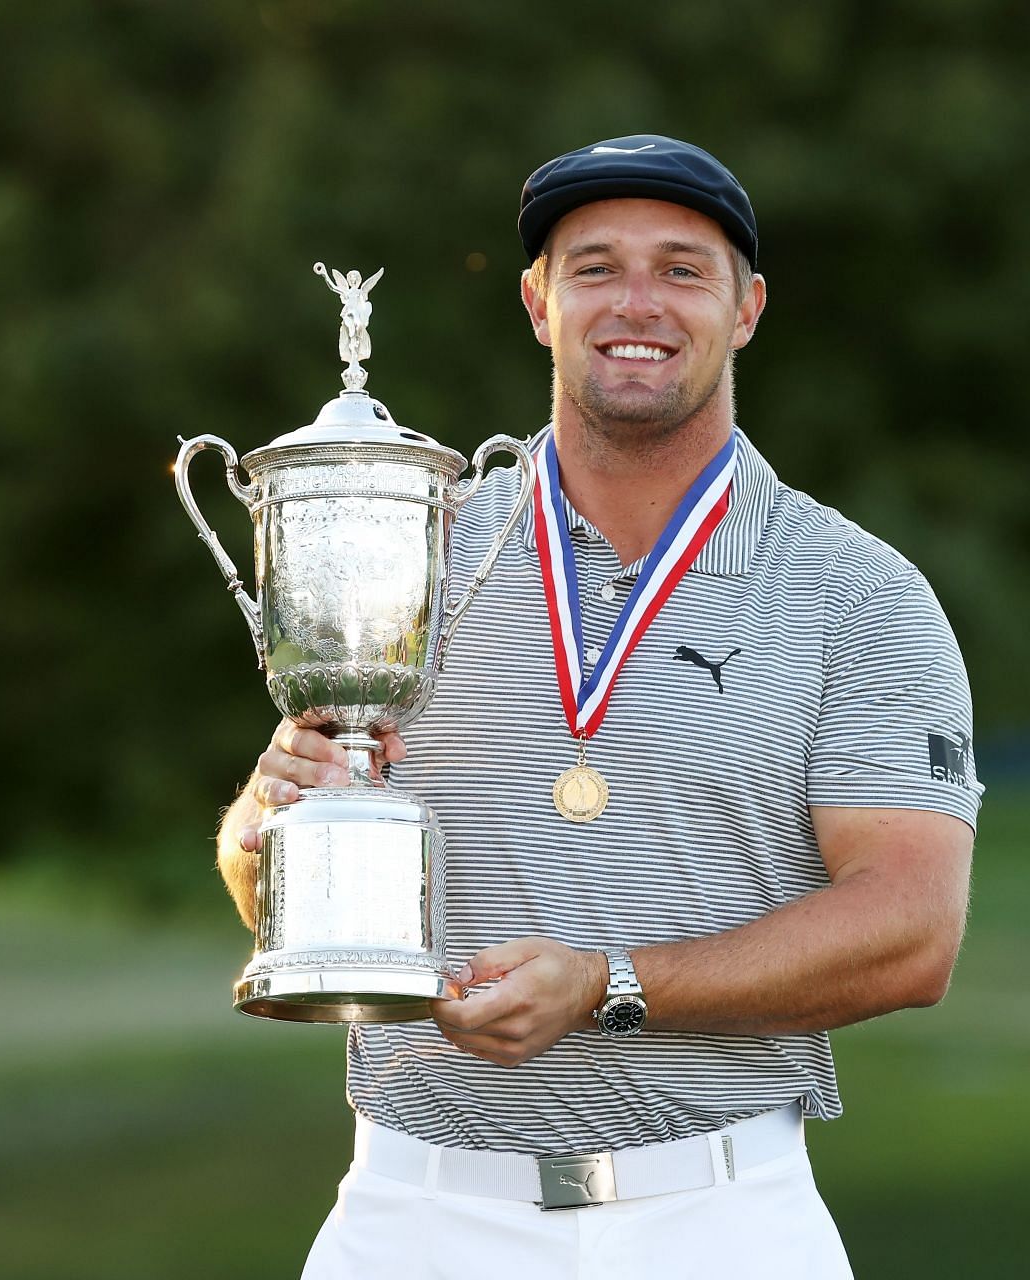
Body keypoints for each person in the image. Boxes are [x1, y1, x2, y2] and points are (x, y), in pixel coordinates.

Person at [214, 134, 983, 1279]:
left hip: (721, 1215)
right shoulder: (408, 547)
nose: (638, 303)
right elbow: (261, 876)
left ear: (748, 307)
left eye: (682, 268)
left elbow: (913, 929)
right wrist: (268, 812)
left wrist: (610, 984)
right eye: (595, 266)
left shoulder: (856, 591)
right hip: (417, 1211)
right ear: (537, 300)